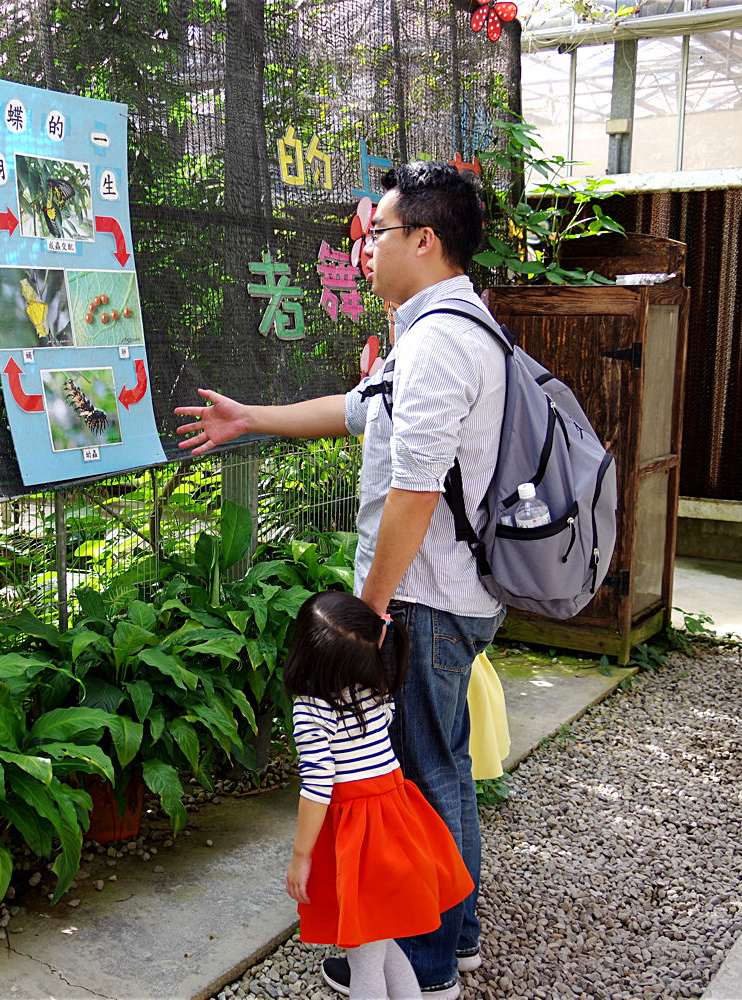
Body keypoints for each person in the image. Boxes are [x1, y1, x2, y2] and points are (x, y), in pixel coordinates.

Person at [174, 161, 506, 999]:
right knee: (443, 766)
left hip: (423, 599)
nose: (366, 247)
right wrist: (250, 417)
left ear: (424, 241)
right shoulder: (447, 326)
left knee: (421, 780)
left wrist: (371, 612)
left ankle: (425, 964)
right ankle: (454, 936)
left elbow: (416, 489)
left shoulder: (437, 342)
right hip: (448, 591)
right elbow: (357, 409)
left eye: (379, 232)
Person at [284, 590, 474, 1000]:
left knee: (363, 959)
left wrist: (301, 857)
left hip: (359, 843)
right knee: (384, 945)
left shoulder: (310, 710)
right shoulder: (375, 692)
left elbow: (318, 787)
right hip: (397, 826)